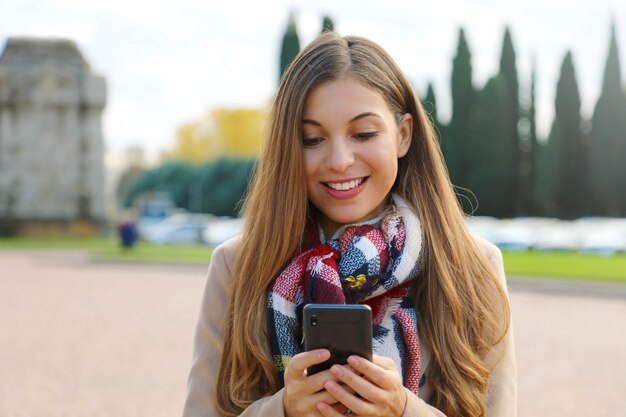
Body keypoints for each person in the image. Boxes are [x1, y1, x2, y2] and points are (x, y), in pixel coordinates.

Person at [183, 32, 516, 417]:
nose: (339, 160)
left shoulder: (472, 267)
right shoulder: (236, 266)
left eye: (363, 134)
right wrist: (284, 410)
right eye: (312, 139)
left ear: (403, 135)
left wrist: (403, 410)